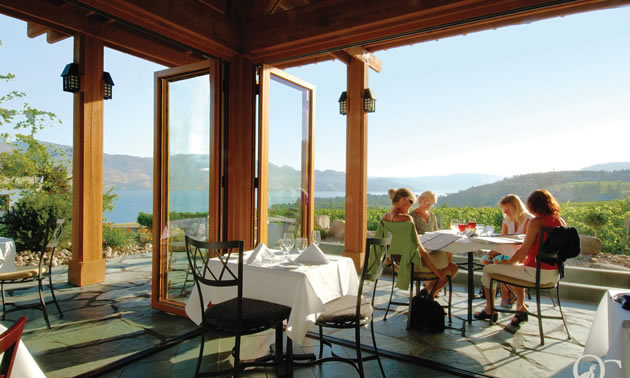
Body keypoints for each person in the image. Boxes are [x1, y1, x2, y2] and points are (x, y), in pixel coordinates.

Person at [474, 189, 565, 327]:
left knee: (489, 270)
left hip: (534, 273)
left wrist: (508, 262)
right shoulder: (560, 221)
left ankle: (490, 310)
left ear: (533, 205)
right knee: (505, 267)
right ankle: (519, 308)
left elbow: (523, 251)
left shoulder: (536, 222)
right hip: (555, 274)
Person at [383, 188, 458, 297]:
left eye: (431, 202)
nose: (428, 204)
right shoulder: (408, 218)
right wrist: (438, 273)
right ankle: (430, 292)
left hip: (411, 257)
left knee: (450, 263)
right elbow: (419, 249)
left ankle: (428, 292)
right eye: (409, 206)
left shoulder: (387, 217)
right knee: (451, 267)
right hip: (416, 260)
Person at [478, 194, 533, 306]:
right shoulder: (507, 220)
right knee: (486, 260)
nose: (505, 212)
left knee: (499, 264)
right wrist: (494, 251)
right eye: (504, 210)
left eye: (507, 209)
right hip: (507, 250)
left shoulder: (529, 220)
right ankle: (510, 295)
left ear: (515, 207)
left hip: (522, 253)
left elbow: (526, 244)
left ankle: (507, 296)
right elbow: (503, 239)